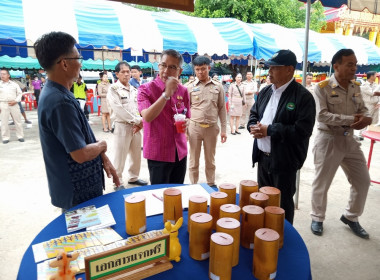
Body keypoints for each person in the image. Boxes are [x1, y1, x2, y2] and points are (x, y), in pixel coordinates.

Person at [34, 31, 119, 211]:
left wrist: (102, 156)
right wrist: (102, 145)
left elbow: (81, 136)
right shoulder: (60, 101)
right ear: (65, 63)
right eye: (77, 58)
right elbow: (79, 153)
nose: (80, 63)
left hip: (80, 191)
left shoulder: (59, 93)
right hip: (77, 195)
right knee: (85, 238)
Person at [248, 49, 316, 224]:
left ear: (289, 70)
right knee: (263, 201)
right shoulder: (265, 92)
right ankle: (265, 237)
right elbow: (254, 114)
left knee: (281, 207)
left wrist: (270, 130)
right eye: (269, 68)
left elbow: (302, 131)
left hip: (285, 162)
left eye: (274, 68)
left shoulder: (303, 97)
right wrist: (253, 126)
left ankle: (283, 241)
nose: (269, 72)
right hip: (263, 159)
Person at [310, 49, 372, 239]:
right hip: (328, 139)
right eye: (349, 64)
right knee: (322, 182)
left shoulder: (356, 87)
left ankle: (351, 217)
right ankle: (317, 217)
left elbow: (364, 110)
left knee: (363, 180)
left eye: (355, 64)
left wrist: (367, 119)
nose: (354, 68)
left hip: (350, 139)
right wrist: (352, 119)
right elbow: (322, 115)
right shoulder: (322, 87)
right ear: (336, 66)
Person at [137, 49, 190, 184]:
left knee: (177, 193)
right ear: (158, 66)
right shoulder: (145, 89)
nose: (166, 71)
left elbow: (187, 115)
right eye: (163, 65)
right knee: (159, 195)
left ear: (180, 71)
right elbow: (147, 116)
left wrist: (187, 123)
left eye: (172, 67)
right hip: (158, 152)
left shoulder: (183, 90)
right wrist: (166, 94)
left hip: (180, 151)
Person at [186, 56, 227, 189]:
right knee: (193, 160)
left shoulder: (218, 87)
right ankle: (193, 184)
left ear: (209, 68)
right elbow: (185, 109)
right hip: (194, 128)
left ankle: (211, 183)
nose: (201, 72)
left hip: (211, 128)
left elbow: (222, 109)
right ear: (194, 70)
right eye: (197, 70)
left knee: (210, 159)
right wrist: (185, 130)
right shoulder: (189, 87)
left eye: (203, 69)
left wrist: (224, 130)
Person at [107, 62, 147, 187]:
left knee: (136, 154)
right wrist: (138, 120)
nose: (126, 74)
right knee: (120, 155)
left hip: (136, 126)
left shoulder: (135, 90)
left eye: (128, 71)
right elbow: (118, 109)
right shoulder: (113, 89)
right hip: (122, 126)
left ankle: (133, 177)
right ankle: (117, 181)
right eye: (123, 72)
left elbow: (139, 107)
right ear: (117, 74)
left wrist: (140, 121)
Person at [0, 69, 24, 144]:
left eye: (4, 74)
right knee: (4, 122)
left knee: (17, 121)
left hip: (14, 104)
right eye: (1, 74)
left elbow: (20, 93)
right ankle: (5, 137)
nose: (2, 75)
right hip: (3, 104)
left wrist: (16, 101)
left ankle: (20, 136)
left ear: (8, 75)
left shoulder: (14, 84)